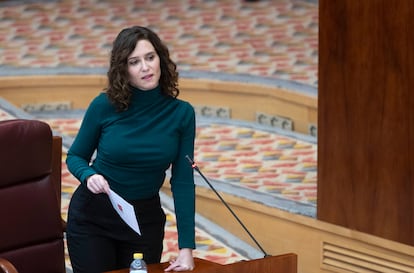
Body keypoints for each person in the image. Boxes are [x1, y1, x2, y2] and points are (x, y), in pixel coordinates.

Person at [65, 26, 196, 273]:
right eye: (134, 62)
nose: (145, 67)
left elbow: (183, 181)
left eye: (150, 57)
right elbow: (75, 156)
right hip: (94, 216)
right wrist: (88, 175)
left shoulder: (182, 114)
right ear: (123, 70)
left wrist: (186, 248)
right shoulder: (104, 105)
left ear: (161, 59)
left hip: (143, 221)